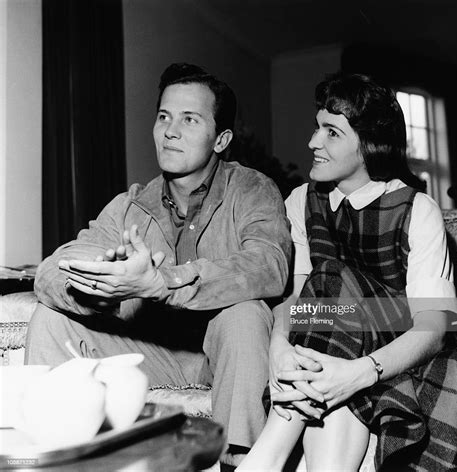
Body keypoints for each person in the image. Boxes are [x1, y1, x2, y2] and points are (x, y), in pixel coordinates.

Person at [25, 63, 292, 465]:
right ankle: (56, 458)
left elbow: (268, 264)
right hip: (157, 353)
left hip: (228, 351)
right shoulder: (131, 204)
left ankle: (239, 460)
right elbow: (53, 269)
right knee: (51, 317)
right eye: (164, 117)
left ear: (221, 139)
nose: (170, 131)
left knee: (244, 314)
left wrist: (163, 282)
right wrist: (96, 288)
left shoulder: (253, 189)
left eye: (189, 119)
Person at [238, 73, 457, 471]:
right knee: (332, 380)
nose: (313, 142)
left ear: (367, 147)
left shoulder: (417, 209)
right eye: (316, 127)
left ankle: (266, 456)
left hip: (406, 343)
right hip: (332, 339)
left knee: (330, 278)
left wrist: (360, 372)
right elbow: (294, 299)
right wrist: (278, 345)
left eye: (331, 132)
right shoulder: (301, 201)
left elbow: (433, 326)